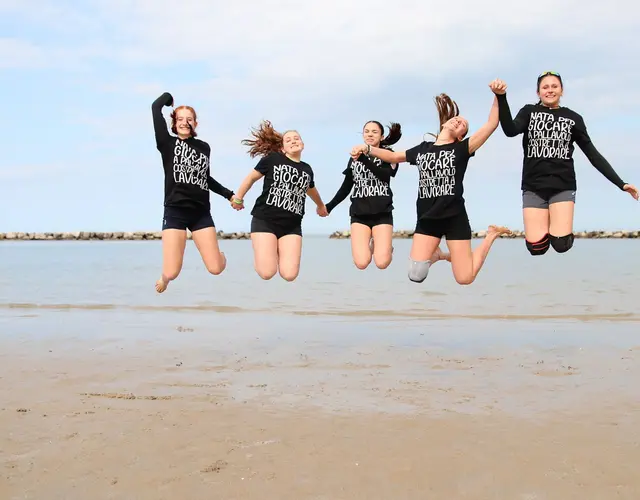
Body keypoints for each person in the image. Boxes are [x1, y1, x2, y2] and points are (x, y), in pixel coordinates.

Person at [350, 82, 512, 285]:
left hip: (454, 218)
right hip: (427, 218)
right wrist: (368, 149)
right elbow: (394, 157)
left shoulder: (463, 148)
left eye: (463, 125)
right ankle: (439, 254)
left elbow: (491, 124)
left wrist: (498, 96)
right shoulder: (422, 149)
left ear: (461, 135)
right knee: (415, 274)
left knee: (465, 278)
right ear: (444, 124)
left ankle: (490, 236)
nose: (458, 122)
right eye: (456, 119)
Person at [492, 71, 638, 256]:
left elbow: (593, 155)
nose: (550, 90)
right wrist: (501, 97)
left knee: (561, 245)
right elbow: (509, 130)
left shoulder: (573, 118)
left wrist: (621, 184)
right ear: (538, 92)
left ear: (562, 91)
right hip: (533, 185)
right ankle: (546, 220)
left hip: (562, 185)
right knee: (536, 249)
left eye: (555, 86)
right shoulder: (529, 112)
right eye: (545, 87)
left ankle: (560, 225)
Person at [151, 91, 236, 293]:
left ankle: (219, 254)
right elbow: (155, 108)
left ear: (195, 124)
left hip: (201, 213)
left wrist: (229, 194)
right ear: (174, 123)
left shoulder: (203, 147)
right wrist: (168, 98)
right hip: (175, 211)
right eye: (180, 119)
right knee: (171, 272)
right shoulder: (167, 143)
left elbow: (205, 178)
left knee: (216, 268)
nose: (184, 122)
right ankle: (165, 278)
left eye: (189, 119)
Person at [231, 120, 328, 281]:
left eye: (296, 138)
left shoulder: (307, 169)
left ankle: (270, 251)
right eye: (288, 140)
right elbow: (251, 178)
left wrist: (320, 206)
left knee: (289, 275)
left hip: (292, 225)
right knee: (267, 273)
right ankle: (263, 256)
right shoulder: (273, 159)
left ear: (302, 144)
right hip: (265, 220)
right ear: (283, 148)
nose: (293, 141)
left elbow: (311, 190)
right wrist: (239, 198)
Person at [324, 121, 402, 270]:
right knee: (361, 263)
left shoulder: (388, 155)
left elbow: (384, 176)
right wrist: (329, 207)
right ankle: (374, 245)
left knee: (382, 263)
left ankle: (386, 248)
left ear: (381, 136)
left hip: (382, 212)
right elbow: (347, 186)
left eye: (374, 132)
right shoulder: (354, 158)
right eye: (367, 131)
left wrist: (364, 159)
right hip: (359, 213)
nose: (370, 134)